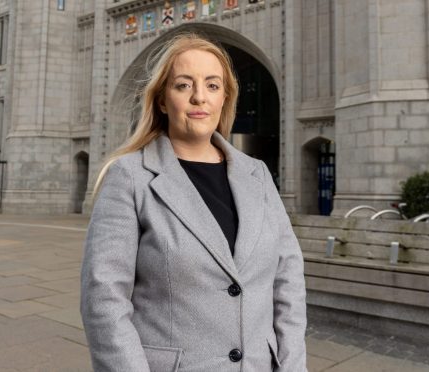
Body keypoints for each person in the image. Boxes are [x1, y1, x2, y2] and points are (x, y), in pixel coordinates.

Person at [80, 33, 307, 372]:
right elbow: (104, 301)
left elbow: (287, 280)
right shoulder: (130, 177)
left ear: (225, 98)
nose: (200, 97)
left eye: (213, 86)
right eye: (184, 85)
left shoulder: (256, 174)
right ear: (161, 100)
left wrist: (292, 366)